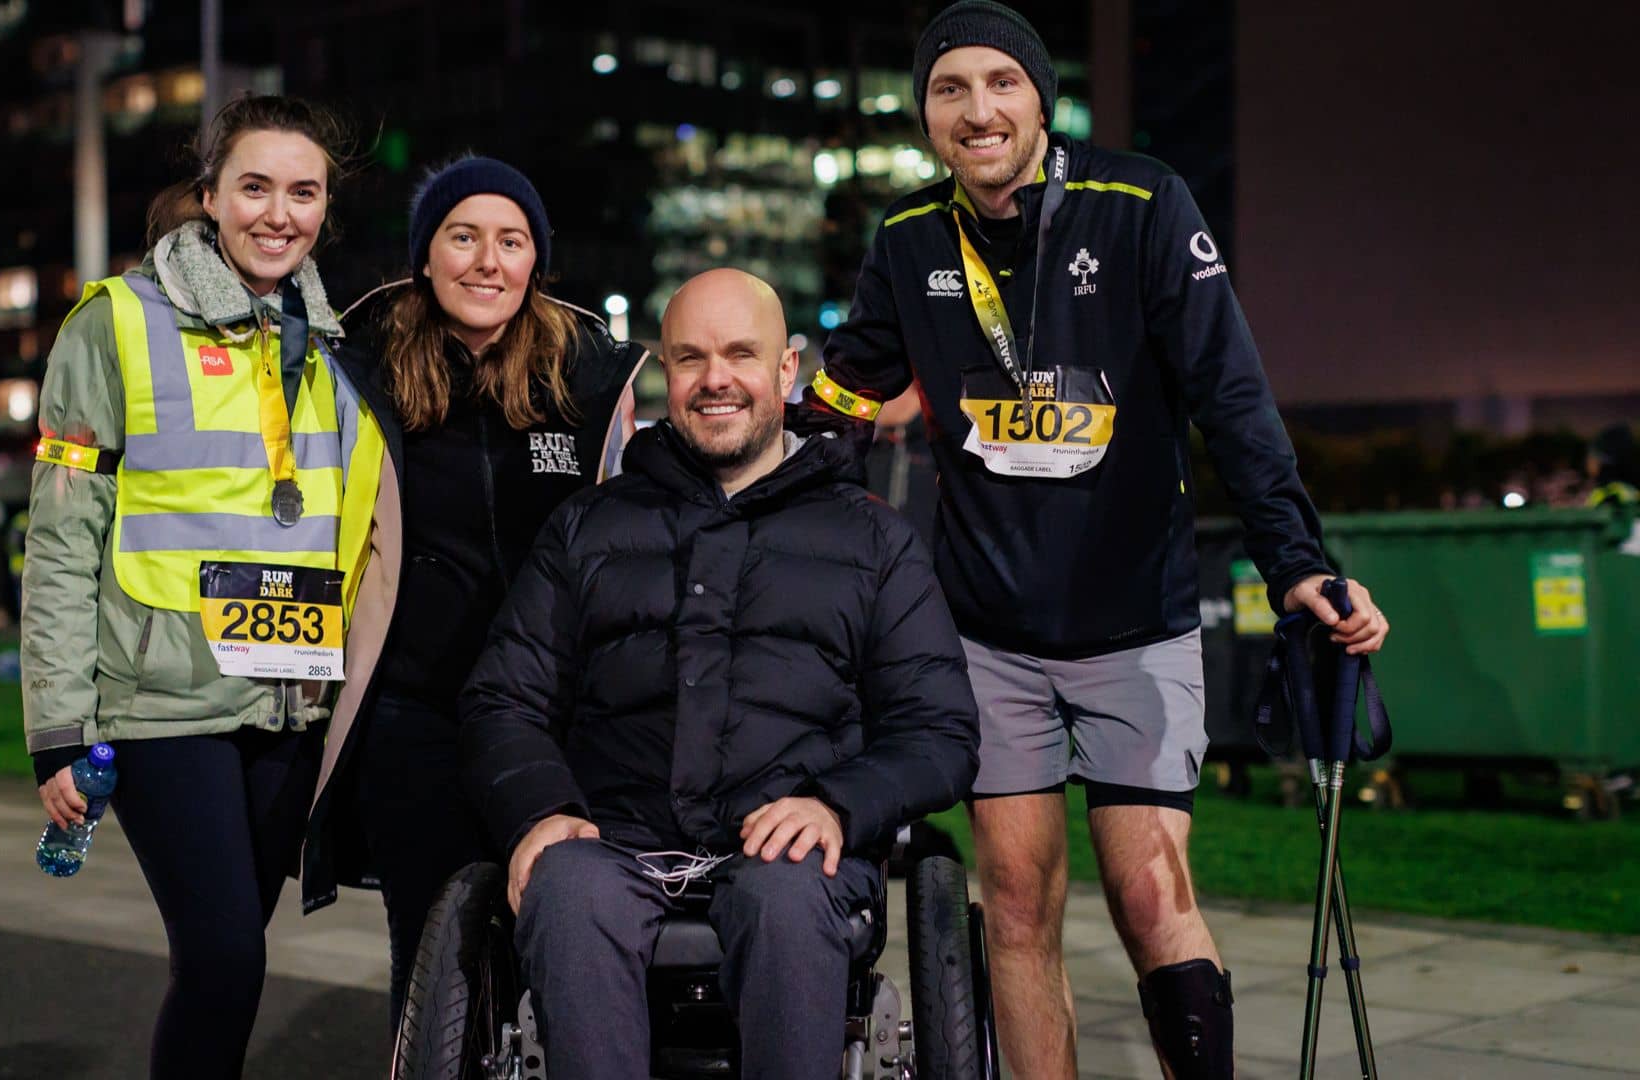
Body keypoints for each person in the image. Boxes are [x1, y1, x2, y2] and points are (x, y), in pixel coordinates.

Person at [808, 4, 1391, 1076]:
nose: (978, 110)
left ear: (1039, 97)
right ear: (928, 116)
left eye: (1001, 83)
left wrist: (1298, 562)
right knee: (1017, 905)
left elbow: (1234, 400)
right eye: (950, 89)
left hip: (1136, 622)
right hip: (988, 637)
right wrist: (749, 441)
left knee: (1149, 893)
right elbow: (843, 401)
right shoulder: (905, 240)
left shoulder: (1143, 205)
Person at [456, 268, 980, 1079]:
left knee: (784, 896)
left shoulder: (874, 542)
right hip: (613, 841)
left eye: (741, 353)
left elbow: (940, 731)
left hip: (792, 855)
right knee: (568, 890)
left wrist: (839, 806)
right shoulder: (590, 526)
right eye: (692, 358)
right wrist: (540, 809)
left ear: (787, 369)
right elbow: (503, 697)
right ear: (666, 369)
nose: (716, 379)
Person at [20, 93, 391, 1080]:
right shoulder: (115, 325)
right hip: (158, 705)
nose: (279, 213)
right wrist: (59, 725)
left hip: (290, 704)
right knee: (227, 958)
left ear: (326, 206)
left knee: (226, 964)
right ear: (210, 196)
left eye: (303, 191)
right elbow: (61, 537)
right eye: (255, 187)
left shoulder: (339, 342)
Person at [296, 156, 644, 1028]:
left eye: (512, 240)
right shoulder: (358, 372)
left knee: (557, 950)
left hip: (551, 719)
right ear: (426, 256)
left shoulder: (590, 381)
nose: (488, 261)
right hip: (415, 719)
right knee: (434, 959)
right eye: (464, 236)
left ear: (536, 264)